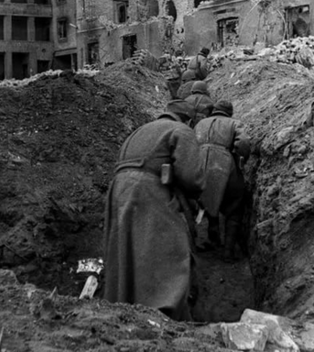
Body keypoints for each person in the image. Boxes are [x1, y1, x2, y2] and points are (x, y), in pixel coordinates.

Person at [102, 100, 206, 321]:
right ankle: (164, 310)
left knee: (128, 250)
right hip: (148, 190)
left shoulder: (140, 131)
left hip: (119, 191)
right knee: (168, 250)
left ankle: (125, 303)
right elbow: (191, 177)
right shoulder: (181, 130)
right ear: (188, 119)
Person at [194, 100, 253, 260]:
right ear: (230, 112)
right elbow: (243, 143)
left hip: (200, 167)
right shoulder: (234, 123)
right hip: (224, 166)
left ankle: (213, 241)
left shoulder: (200, 124)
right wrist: (241, 160)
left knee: (207, 203)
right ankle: (228, 252)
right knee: (234, 208)